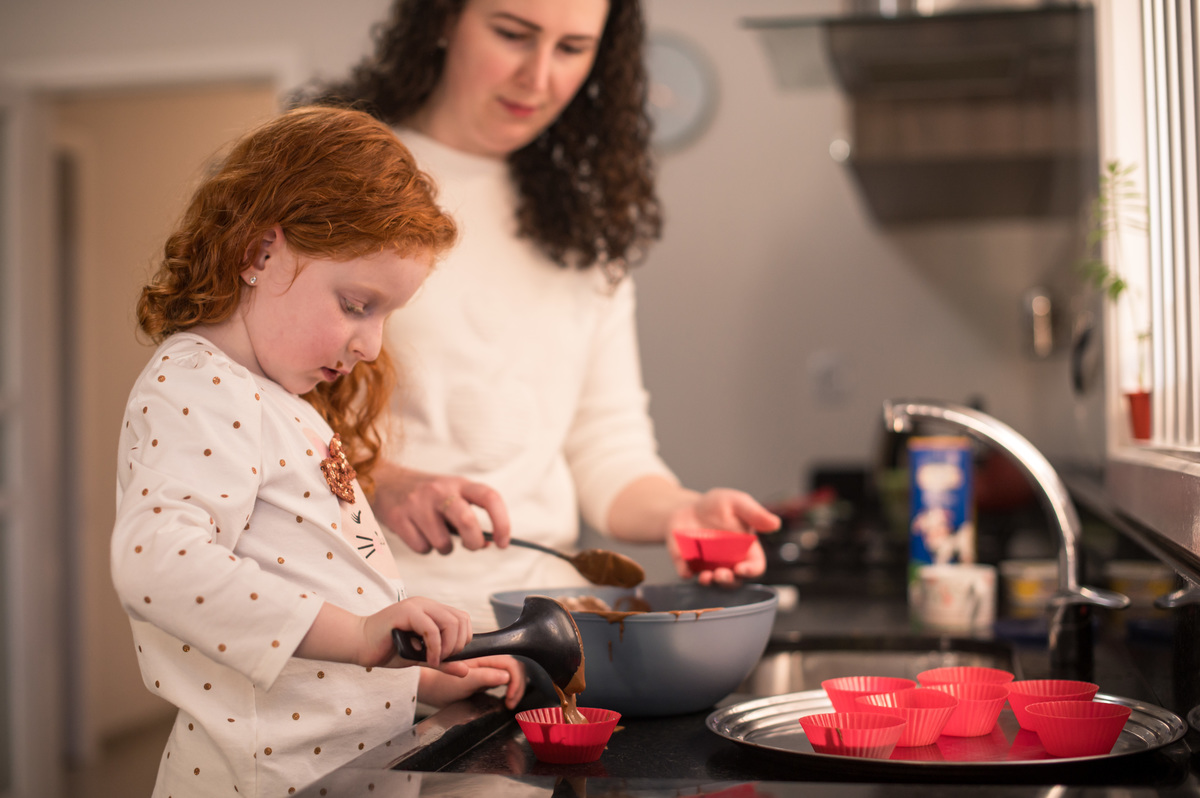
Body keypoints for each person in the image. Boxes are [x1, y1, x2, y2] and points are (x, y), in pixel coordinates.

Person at [306, 0, 781, 631]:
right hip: (370, 621)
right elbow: (247, 411)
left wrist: (681, 511)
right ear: (443, 18)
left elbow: (607, 448)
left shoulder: (583, 217)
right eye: (512, 34)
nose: (539, 77)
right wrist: (381, 478)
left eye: (572, 48)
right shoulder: (339, 177)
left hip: (544, 627)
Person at [110, 106, 525, 798]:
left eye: (386, 316)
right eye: (358, 304)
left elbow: (325, 592)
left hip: (343, 769)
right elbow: (158, 562)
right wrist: (364, 634)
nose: (372, 345)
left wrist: (417, 669)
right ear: (260, 253)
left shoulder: (282, 404)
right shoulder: (197, 383)